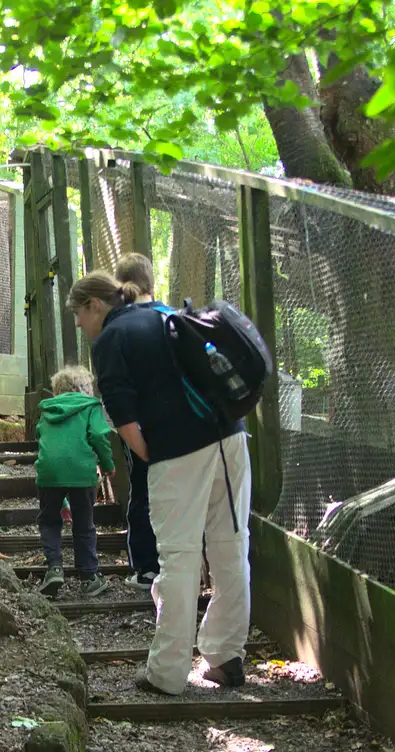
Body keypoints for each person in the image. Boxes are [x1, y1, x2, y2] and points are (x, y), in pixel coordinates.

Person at [74, 270, 251, 693]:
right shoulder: (165, 313)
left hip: (179, 450)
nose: (79, 326)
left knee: (179, 556)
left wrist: (157, 454)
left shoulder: (112, 339)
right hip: (232, 437)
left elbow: (123, 415)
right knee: (231, 547)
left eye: (79, 316)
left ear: (94, 305)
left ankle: (168, 673)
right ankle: (227, 656)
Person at [34, 365, 115, 599]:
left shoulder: (48, 409)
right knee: (84, 523)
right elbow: (99, 435)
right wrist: (108, 465)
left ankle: (55, 568)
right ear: (87, 388)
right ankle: (89, 577)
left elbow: (42, 436)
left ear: (57, 390)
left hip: (49, 472)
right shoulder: (90, 408)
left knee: (49, 521)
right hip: (81, 473)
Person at [111, 253, 165, 589]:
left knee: (143, 492)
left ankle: (147, 567)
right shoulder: (171, 318)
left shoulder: (120, 326)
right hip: (178, 426)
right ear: (152, 282)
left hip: (139, 426)